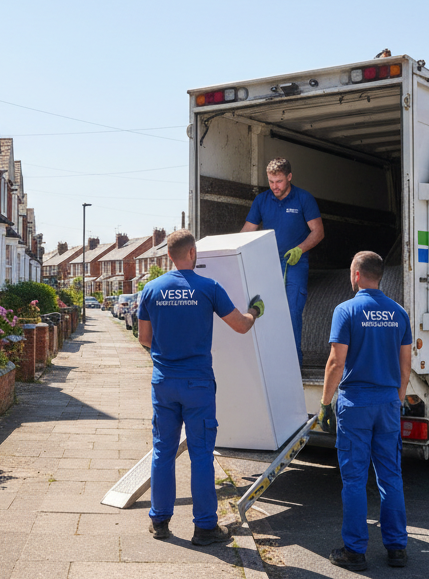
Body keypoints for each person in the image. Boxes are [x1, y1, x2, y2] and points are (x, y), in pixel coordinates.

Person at [138, 230, 265, 545]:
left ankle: (160, 522)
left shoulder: (150, 290)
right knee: (201, 455)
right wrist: (255, 311)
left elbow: (143, 338)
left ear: (169, 255)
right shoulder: (209, 288)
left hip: (164, 382)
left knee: (163, 452)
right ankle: (205, 527)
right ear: (193, 253)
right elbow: (241, 326)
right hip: (198, 385)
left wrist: (167, 356)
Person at [320, 251, 411, 571]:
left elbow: (336, 362)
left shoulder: (345, 311)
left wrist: (325, 403)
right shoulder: (399, 313)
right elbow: (405, 368)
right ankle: (397, 548)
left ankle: (355, 551)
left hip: (355, 404)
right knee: (390, 476)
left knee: (355, 479)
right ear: (379, 276)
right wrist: (396, 400)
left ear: (356, 275)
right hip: (387, 404)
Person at [241, 157, 323, 363]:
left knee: (292, 310)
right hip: (268, 263)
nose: (274, 186)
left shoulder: (303, 199)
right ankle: (270, 362)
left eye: (278, 181)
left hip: (295, 263)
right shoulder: (261, 200)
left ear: (289, 177)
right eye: (270, 181)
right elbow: (246, 232)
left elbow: (318, 232)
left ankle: (293, 363)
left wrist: (299, 249)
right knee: (265, 310)